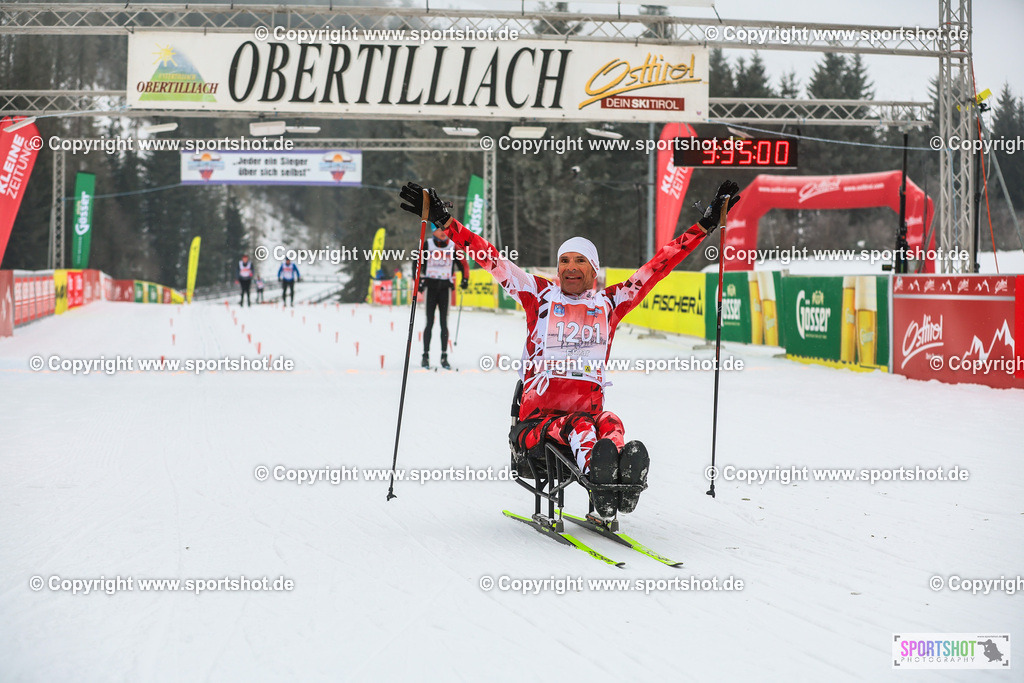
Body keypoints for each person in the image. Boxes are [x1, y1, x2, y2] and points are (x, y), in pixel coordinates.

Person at [399, 180, 740, 516]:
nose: (570, 267)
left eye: (580, 261)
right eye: (564, 261)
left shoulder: (610, 303)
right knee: (579, 426)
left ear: (594, 269)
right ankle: (599, 480)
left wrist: (704, 227)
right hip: (536, 427)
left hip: (588, 418)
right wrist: (445, 222)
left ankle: (621, 482)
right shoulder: (539, 295)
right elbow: (491, 259)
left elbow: (658, 266)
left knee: (611, 423)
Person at [419, 224, 469, 370]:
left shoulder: (453, 246)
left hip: (445, 289)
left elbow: (464, 264)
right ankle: (425, 356)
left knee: (443, 323)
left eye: (444, 230)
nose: (442, 232)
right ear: (433, 231)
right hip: (431, 287)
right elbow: (417, 263)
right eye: (439, 230)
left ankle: (444, 356)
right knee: (429, 322)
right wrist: (419, 282)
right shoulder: (427, 245)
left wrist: (465, 279)